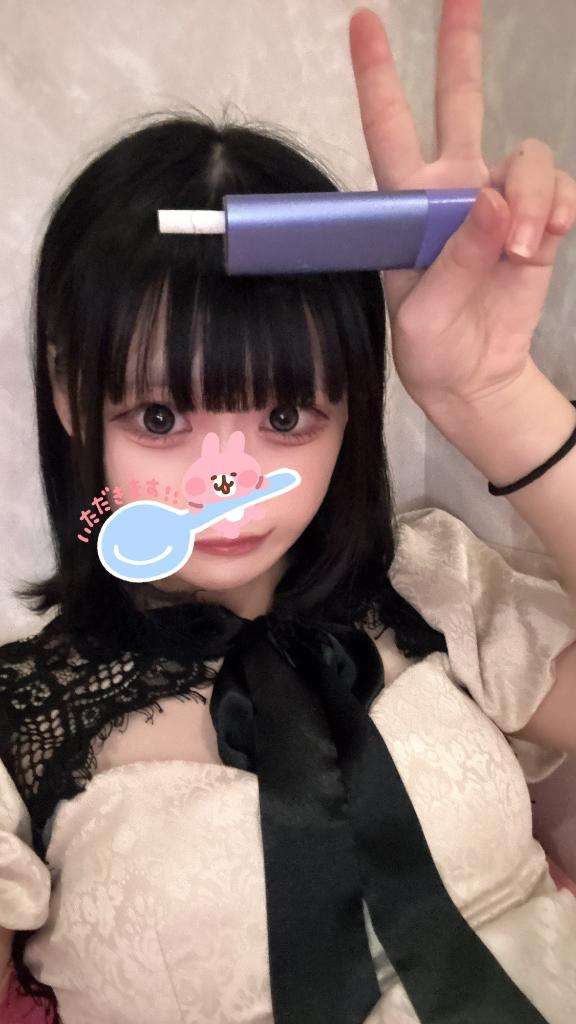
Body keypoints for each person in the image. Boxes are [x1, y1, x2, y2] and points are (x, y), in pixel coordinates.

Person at [1, 2, 576, 1022]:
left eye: (281, 414)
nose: (225, 480)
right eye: (162, 416)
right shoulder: (18, 720)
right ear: (69, 399)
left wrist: (494, 399)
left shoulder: (434, 588)